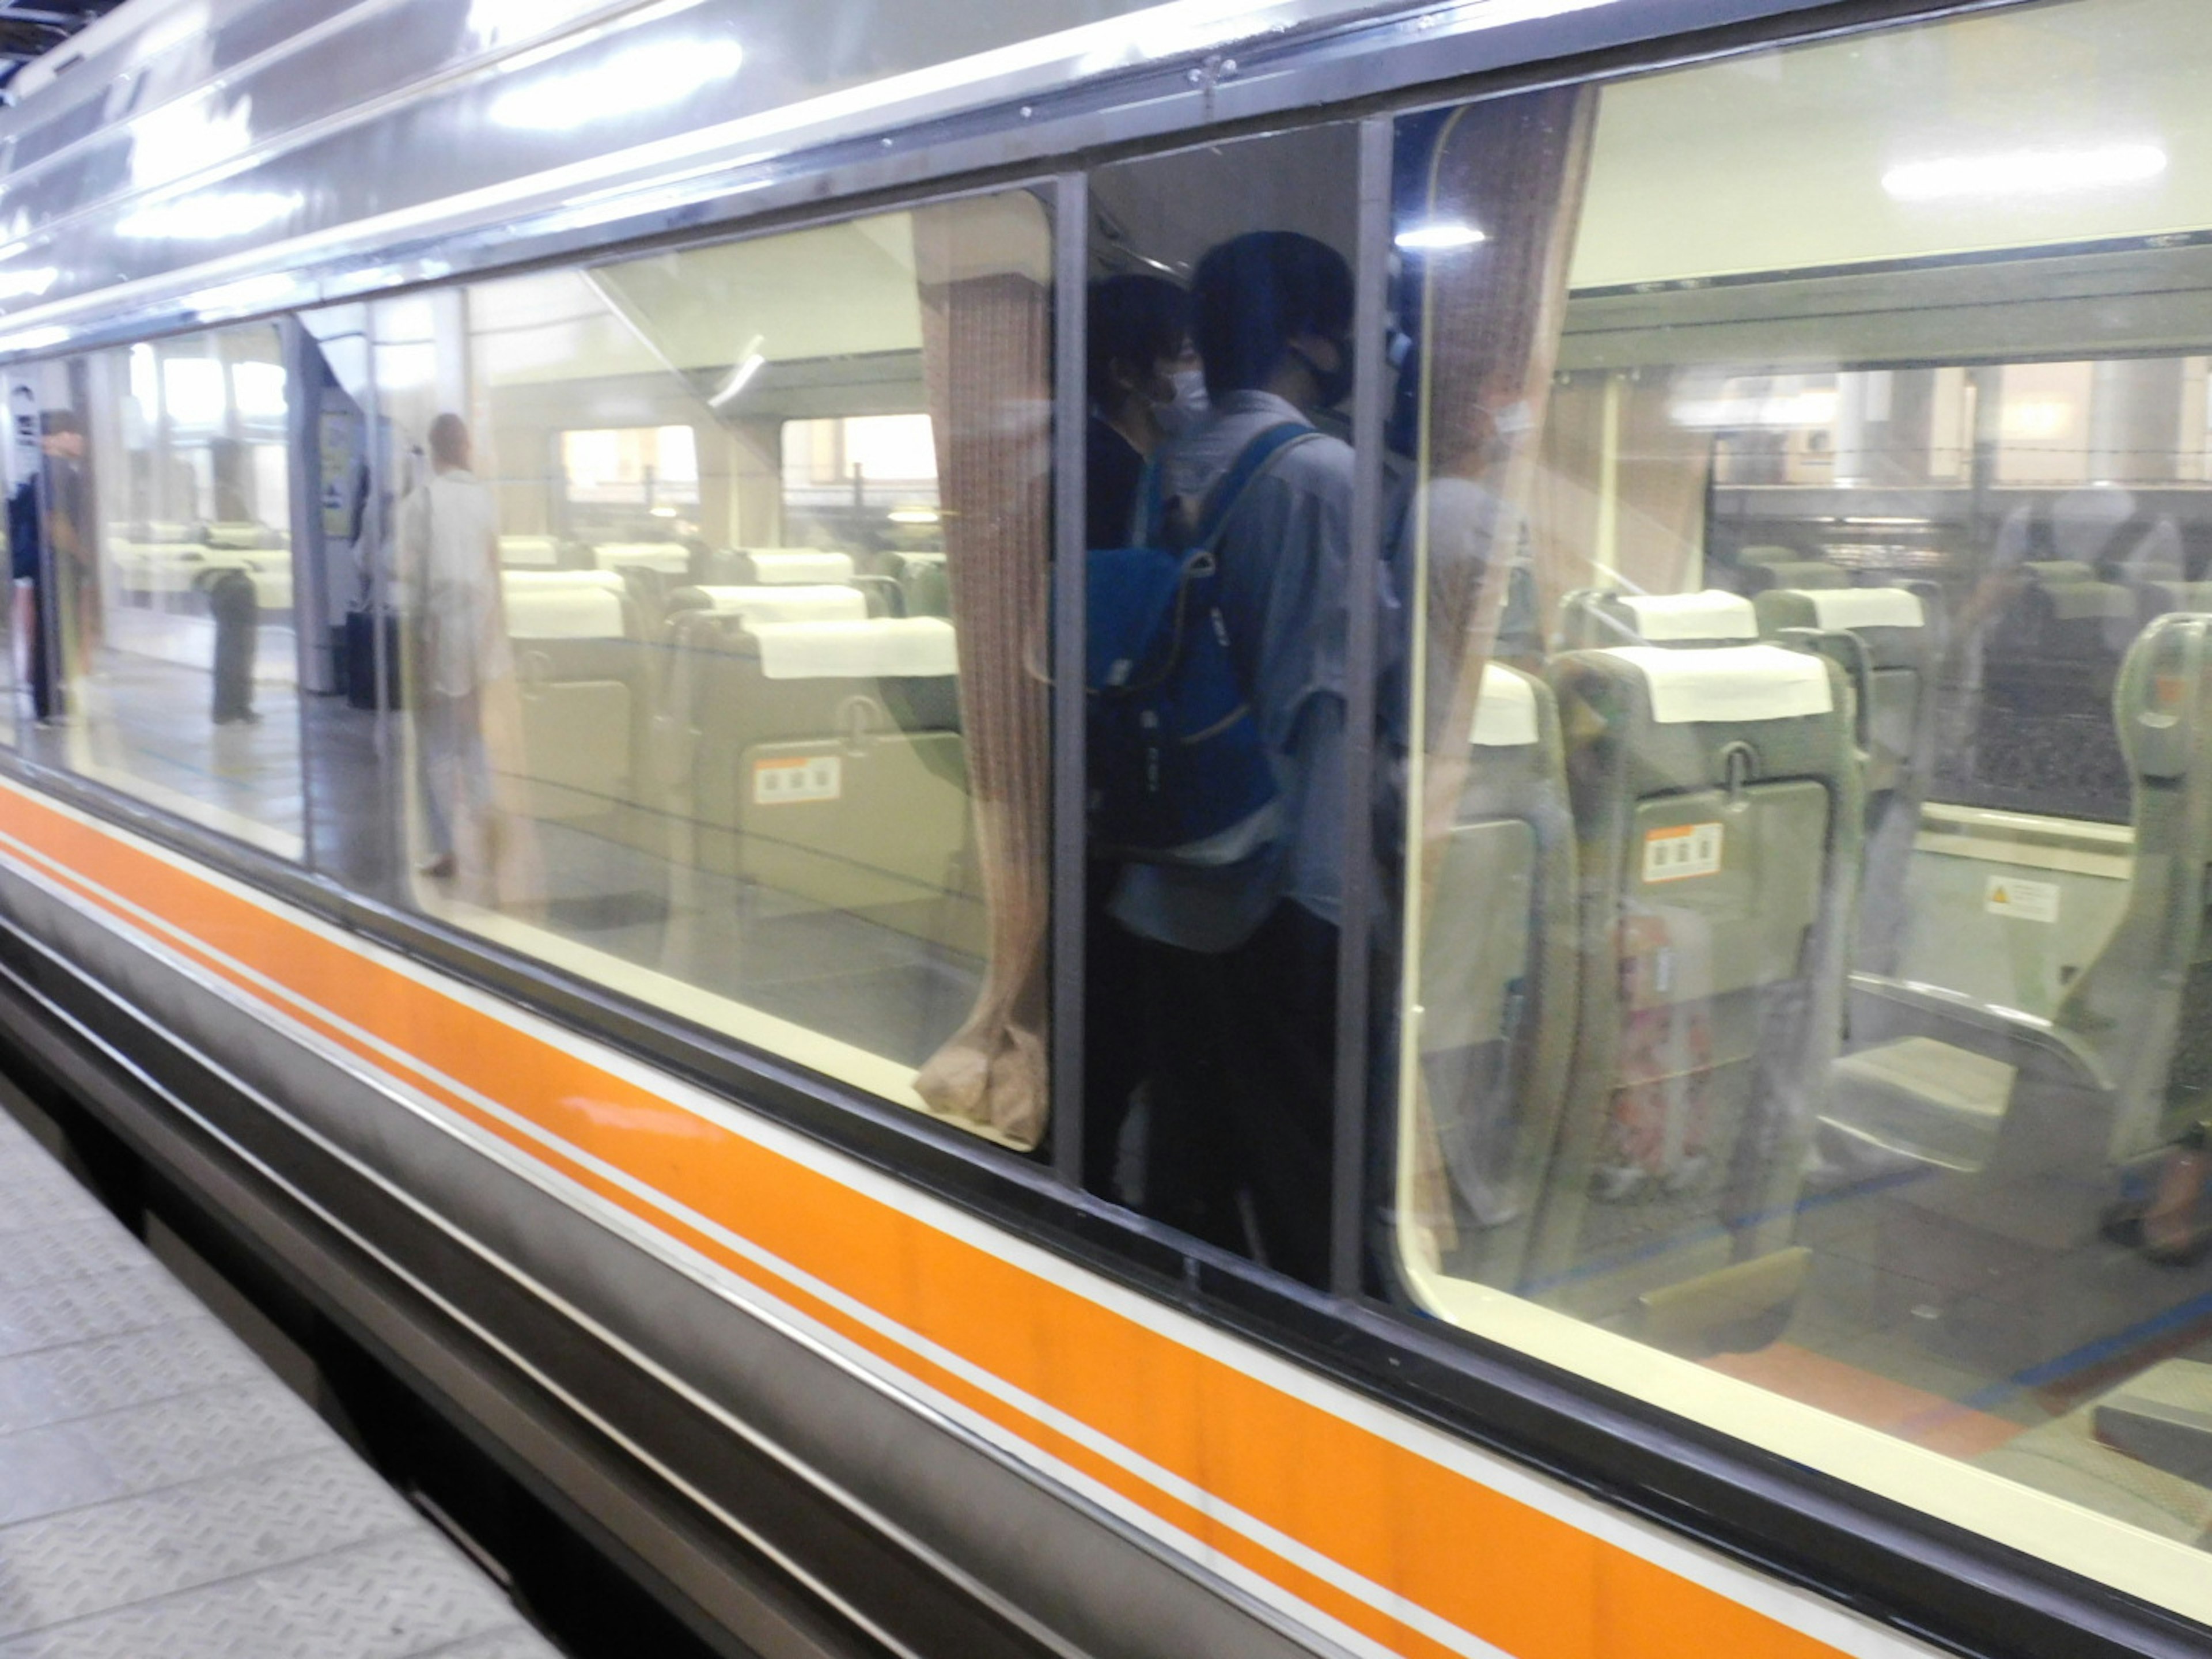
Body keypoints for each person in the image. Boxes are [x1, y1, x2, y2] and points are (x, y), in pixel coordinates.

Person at [1109, 230, 1368, 1287]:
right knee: (1301, 1140)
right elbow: (1329, 692)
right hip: (1284, 871)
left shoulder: (1168, 463)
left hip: (1169, 851)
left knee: (1193, 1115)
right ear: (1309, 331)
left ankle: (1185, 1312)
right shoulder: (1320, 474)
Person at [395, 413, 539, 912]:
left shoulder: (422, 503)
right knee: (474, 735)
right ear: (468, 448)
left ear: (434, 452)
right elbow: (495, 567)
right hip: (483, 635)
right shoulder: (484, 500)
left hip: (438, 634)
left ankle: (445, 847)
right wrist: (495, 635)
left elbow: (407, 580)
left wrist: (418, 651)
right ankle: (485, 814)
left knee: (435, 743)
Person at [1085, 273, 1200, 551]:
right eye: (1188, 358)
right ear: (1126, 374)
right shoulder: (1104, 473)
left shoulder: (1150, 464)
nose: (1204, 372)